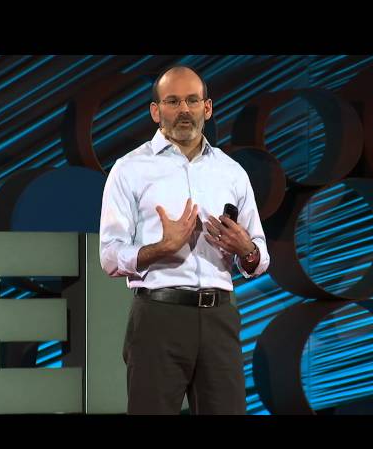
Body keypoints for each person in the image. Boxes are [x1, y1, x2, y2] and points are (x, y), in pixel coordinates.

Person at [99, 65, 270, 415]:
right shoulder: (129, 169)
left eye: (192, 100)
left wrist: (246, 250)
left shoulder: (231, 172)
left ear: (207, 108)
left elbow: (258, 255)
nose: (184, 110)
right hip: (158, 317)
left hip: (220, 318)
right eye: (172, 101)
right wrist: (162, 248)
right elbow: (110, 256)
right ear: (155, 111)